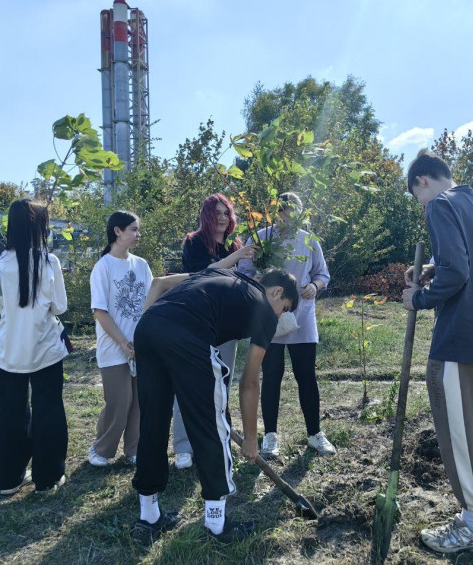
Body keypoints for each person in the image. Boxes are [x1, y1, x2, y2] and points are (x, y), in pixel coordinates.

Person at [130, 268, 298, 545]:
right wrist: (251, 439)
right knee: (212, 422)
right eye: (285, 309)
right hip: (186, 330)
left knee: (153, 421)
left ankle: (148, 518)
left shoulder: (222, 275)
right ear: (278, 292)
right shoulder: (265, 312)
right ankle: (217, 525)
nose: (281, 316)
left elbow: (162, 286)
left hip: (148, 327)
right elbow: (249, 382)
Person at [401, 151, 473, 554]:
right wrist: (432, 268)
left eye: (418, 196)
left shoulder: (439, 206)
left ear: (422, 182)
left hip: (460, 339)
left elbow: (459, 272)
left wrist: (420, 297)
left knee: (460, 434)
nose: (421, 205)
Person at [237, 192, 335, 458]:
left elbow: (322, 273)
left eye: (297, 212)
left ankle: (315, 433)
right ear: (276, 212)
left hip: (302, 317)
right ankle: (270, 436)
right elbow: (242, 270)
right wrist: (256, 276)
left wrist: (314, 286)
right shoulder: (261, 238)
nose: (291, 217)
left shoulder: (309, 240)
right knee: (271, 376)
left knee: (306, 376)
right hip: (270, 317)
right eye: (285, 211)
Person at [0, 199, 69, 494]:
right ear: (39, 226)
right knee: (48, 410)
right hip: (44, 348)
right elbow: (59, 307)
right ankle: (47, 477)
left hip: (9, 351)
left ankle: (8, 480)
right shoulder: (49, 262)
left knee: (11, 414)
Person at [171, 194, 257, 471]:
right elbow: (202, 275)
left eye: (226, 213)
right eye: (217, 213)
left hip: (226, 324)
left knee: (222, 384)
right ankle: (183, 446)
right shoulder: (195, 242)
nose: (222, 217)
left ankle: (216, 436)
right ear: (207, 215)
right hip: (195, 322)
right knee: (190, 382)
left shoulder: (235, 244)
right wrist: (238, 256)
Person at [88, 211, 152, 467]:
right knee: (119, 401)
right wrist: (125, 344)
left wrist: (144, 341)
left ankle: (134, 450)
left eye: (138, 229)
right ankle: (101, 449)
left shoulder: (141, 265)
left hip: (141, 347)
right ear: (117, 231)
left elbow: (150, 302)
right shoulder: (102, 267)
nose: (138, 235)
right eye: (133, 230)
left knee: (139, 402)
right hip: (114, 347)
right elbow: (100, 312)